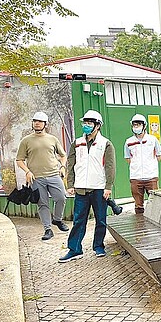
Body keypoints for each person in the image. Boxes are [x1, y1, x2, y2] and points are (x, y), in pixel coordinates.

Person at [59, 110, 116, 263]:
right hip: (80, 188)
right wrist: (70, 184)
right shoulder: (77, 143)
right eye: (85, 123)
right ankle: (74, 249)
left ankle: (98, 246)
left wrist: (108, 186)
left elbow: (110, 167)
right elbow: (70, 164)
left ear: (97, 125)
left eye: (89, 123)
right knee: (78, 220)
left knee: (101, 219)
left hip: (99, 188)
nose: (86, 126)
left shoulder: (105, 143)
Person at [16, 111, 69, 241]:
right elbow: (19, 160)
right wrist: (27, 171)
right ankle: (47, 229)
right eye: (35, 121)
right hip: (36, 178)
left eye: (40, 121)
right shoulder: (26, 141)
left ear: (45, 124)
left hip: (53, 175)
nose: (37, 123)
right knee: (42, 203)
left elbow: (63, 155)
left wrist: (62, 167)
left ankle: (57, 220)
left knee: (61, 197)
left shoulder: (52, 139)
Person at [124, 114, 161, 214]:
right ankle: (140, 226)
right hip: (135, 177)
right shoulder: (129, 142)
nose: (136, 127)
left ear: (144, 126)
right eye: (134, 125)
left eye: (138, 124)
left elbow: (159, 156)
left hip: (151, 177)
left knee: (155, 204)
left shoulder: (153, 140)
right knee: (138, 205)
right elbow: (128, 158)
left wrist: (150, 165)